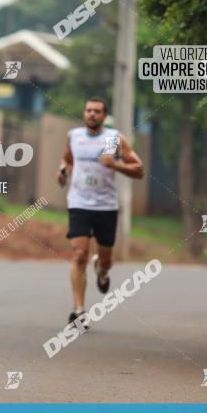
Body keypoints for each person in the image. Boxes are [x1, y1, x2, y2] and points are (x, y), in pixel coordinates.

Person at [57, 98, 144, 327]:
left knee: (105, 258)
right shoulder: (74, 136)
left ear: (104, 116)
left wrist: (115, 165)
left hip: (106, 206)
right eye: (88, 110)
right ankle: (79, 310)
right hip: (79, 203)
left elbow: (139, 169)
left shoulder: (113, 139)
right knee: (79, 254)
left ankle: (102, 271)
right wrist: (63, 172)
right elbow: (67, 160)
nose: (92, 114)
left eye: (97, 111)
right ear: (84, 113)